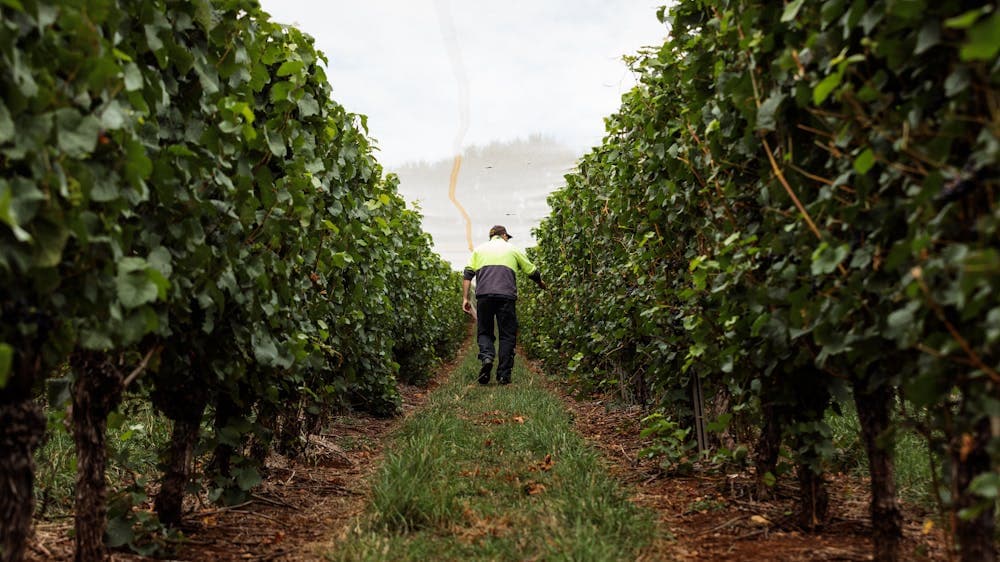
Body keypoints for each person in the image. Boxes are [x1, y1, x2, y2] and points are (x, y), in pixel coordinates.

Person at [462, 225, 546, 385]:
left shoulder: (479, 250)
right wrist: (541, 283)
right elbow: (532, 271)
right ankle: (503, 375)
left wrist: (465, 298)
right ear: (504, 235)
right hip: (506, 297)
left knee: (484, 331)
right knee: (507, 334)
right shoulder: (512, 249)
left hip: (484, 296)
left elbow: (467, 274)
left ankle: (487, 357)